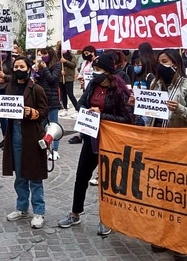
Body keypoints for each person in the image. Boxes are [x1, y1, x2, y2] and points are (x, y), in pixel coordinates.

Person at [57, 53, 133, 236]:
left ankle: (107, 219)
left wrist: (101, 114)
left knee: (108, 181)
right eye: (94, 69)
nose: (95, 72)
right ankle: (75, 213)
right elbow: (81, 103)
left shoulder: (119, 91)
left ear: (108, 72)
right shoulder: (93, 85)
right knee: (81, 175)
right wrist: (87, 111)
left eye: (98, 70)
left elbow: (127, 118)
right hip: (91, 138)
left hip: (111, 141)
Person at [148, 49, 187, 261]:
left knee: (180, 196)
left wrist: (179, 109)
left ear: (176, 63)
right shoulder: (156, 84)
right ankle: (165, 235)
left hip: (182, 149)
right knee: (163, 195)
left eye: (165, 61)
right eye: (159, 61)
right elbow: (149, 113)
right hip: (160, 146)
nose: (161, 65)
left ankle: (181, 241)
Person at [3, 56, 49, 229]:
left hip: (31, 135)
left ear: (29, 69)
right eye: (15, 66)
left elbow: (45, 111)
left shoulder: (36, 89)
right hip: (14, 132)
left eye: (21, 66)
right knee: (20, 175)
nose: (18, 69)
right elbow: (7, 107)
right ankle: (22, 207)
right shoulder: (11, 87)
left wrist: (33, 113)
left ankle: (39, 211)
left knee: (34, 175)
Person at [34, 47, 62, 160]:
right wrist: (36, 73)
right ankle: (45, 147)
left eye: (44, 54)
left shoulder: (57, 65)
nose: (43, 56)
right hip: (43, 99)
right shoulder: (41, 65)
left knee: (53, 126)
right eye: (41, 54)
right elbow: (40, 81)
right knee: (42, 125)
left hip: (53, 99)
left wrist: (45, 69)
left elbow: (52, 80)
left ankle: (55, 150)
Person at [68, 46, 97, 144]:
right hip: (85, 88)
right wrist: (81, 78)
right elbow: (81, 73)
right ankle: (81, 134)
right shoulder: (85, 63)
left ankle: (88, 133)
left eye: (88, 53)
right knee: (84, 109)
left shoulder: (97, 61)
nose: (86, 55)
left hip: (94, 89)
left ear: (93, 52)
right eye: (84, 54)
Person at [58, 48, 79, 117]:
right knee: (63, 94)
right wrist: (60, 71)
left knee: (70, 94)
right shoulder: (58, 56)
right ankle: (65, 109)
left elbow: (74, 65)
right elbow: (56, 66)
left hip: (69, 78)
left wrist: (65, 61)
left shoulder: (71, 56)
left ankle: (77, 108)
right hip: (61, 78)